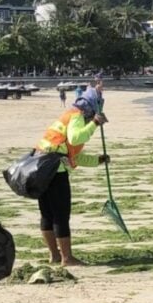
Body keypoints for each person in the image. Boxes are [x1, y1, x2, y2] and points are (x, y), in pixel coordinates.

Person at [36, 87, 108, 266]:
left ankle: (54, 255)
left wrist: (97, 160)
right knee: (60, 215)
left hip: (41, 167)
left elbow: (73, 155)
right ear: (90, 108)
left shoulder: (68, 116)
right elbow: (76, 139)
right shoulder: (76, 116)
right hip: (55, 171)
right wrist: (95, 124)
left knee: (47, 214)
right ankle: (67, 258)